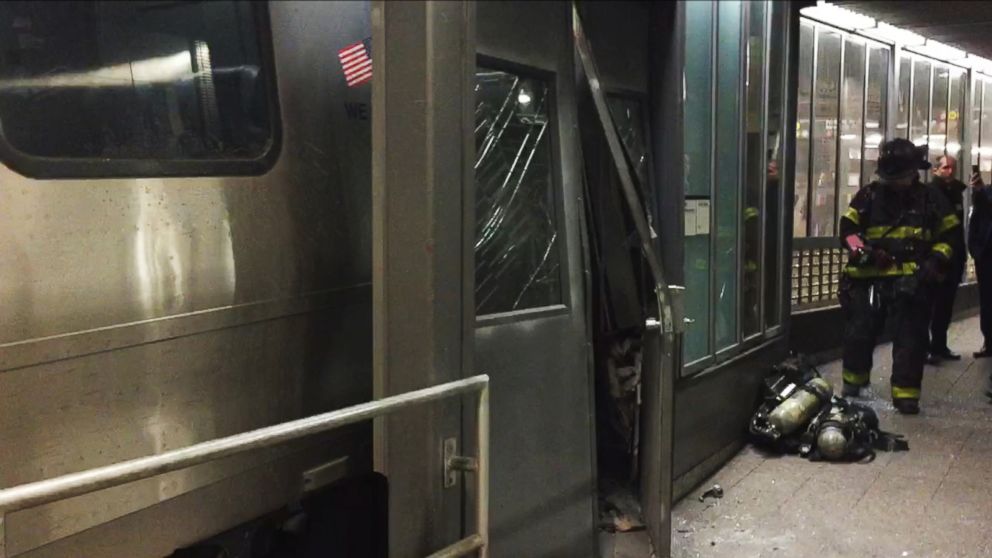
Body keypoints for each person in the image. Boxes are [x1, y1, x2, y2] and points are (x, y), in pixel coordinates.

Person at [838, 139, 960, 415]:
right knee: (860, 332)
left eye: (900, 177)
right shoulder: (868, 196)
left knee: (911, 338)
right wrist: (866, 252)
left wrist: (936, 260)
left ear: (914, 172)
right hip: (868, 280)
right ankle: (853, 386)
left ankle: (906, 395)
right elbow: (847, 230)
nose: (895, 183)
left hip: (913, 282)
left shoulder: (931, 199)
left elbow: (950, 234)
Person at [926, 155, 967, 363]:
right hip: (938, 261)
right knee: (932, 306)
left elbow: (957, 232)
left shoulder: (955, 193)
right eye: (945, 168)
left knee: (945, 307)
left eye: (952, 168)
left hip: (953, 259)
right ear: (935, 170)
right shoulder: (933, 193)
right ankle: (929, 349)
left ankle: (939, 346)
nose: (949, 171)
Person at [968, 167, 992, 358]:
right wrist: (976, 250)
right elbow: (975, 221)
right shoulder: (984, 193)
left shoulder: (985, 194)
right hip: (986, 257)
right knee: (987, 300)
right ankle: (989, 342)